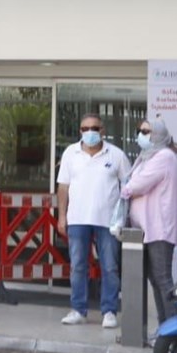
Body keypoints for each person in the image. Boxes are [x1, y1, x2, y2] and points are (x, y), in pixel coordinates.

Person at [57, 113, 130, 329]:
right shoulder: (71, 153)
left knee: (110, 267)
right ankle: (78, 310)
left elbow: (128, 187)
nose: (90, 132)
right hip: (77, 218)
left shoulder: (116, 155)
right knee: (78, 266)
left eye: (95, 128)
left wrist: (124, 217)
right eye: (85, 128)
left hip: (108, 221)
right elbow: (63, 187)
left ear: (103, 130)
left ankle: (109, 311)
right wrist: (61, 216)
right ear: (80, 131)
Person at [119, 118, 177, 325]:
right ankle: (164, 325)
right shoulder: (148, 157)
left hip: (159, 227)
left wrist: (127, 189)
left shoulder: (164, 156)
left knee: (162, 277)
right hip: (147, 228)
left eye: (147, 131)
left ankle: (174, 327)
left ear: (158, 135)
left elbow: (138, 184)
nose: (142, 135)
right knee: (155, 278)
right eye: (140, 131)